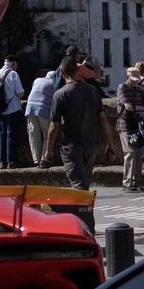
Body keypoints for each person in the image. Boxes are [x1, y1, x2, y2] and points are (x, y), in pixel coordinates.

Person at [44, 55, 108, 190]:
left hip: (72, 147)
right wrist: (111, 143)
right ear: (77, 70)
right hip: (90, 145)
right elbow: (103, 119)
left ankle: (82, 210)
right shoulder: (92, 91)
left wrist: (49, 149)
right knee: (84, 183)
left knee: (79, 186)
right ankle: (85, 210)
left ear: (62, 72)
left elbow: (54, 125)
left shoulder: (60, 94)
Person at [115, 61, 144, 191]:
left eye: (137, 79)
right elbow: (127, 106)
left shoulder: (140, 90)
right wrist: (141, 109)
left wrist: (139, 109)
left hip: (137, 124)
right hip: (125, 124)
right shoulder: (122, 87)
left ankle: (136, 182)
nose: (136, 82)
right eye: (133, 79)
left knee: (137, 153)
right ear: (128, 77)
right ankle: (127, 182)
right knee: (129, 152)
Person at [0, 56, 24, 167]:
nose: (16, 67)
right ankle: (10, 161)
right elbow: (20, 93)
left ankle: (1, 161)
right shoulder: (13, 74)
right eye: (16, 65)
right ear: (13, 64)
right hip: (13, 108)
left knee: (2, 134)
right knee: (11, 134)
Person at [24, 67, 59, 164]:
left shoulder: (37, 80)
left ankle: (36, 160)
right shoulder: (54, 84)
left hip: (30, 109)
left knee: (33, 136)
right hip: (43, 110)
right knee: (47, 136)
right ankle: (44, 159)